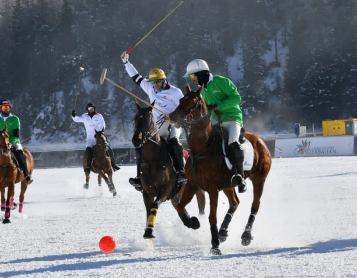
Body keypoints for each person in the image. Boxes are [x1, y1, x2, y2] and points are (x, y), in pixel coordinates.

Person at [120, 52, 186, 191]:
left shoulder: (175, 92)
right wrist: (126, 63)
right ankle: (139, 177)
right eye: (152, 82)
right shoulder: (150, 87)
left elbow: (183, 111)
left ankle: (181, 172)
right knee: (143, 144)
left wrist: (173, 116)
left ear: (162, 80)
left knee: (174, 141)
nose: (154, 85)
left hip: (174, 123)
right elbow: (136, 78)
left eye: (156, 82)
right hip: (157, 125)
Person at [184, 58, 247, 193]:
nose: (192, 79)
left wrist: (218, 106)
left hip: (232, 119)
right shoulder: (201, 91)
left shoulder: (221, 81)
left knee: (233, 143)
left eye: (193, 76)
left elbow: (237, 98)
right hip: (214, 122)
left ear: (201, 74)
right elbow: (203, 110)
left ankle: (240, 176)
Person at [0, 99, 32, 190]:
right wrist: (1, 143)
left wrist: (9, 142)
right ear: (1, 108)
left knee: (20, 154)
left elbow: (16, 134)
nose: (6, 109)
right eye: (4, 107)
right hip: (1, 143)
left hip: (14, 141)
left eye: (7, 107)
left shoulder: (15, 119)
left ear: (10, 107)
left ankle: (27, 176)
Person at [71, 103, 120, 175]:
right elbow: (77, 119)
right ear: (87, 109)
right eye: (89, 109)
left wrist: (99, 132)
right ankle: (87, 167)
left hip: (99, 135)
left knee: (108, 148)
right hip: (90, 137)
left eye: (92, 108)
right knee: (88, 150)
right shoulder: (84, 116)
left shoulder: (99, 116)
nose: (91, 110)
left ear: (94, 109)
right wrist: (73, 116)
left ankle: (113, 165)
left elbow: (102, 124)